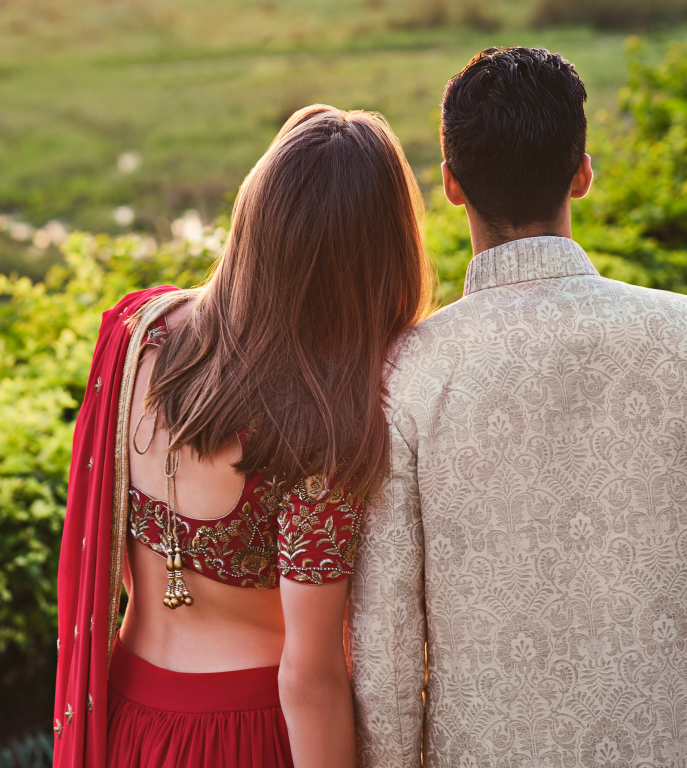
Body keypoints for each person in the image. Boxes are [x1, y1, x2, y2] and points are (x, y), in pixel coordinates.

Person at [52, 104, 433, 768]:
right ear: (378, 255)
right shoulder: (324, 424)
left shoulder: (134, 335)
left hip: (125, 722)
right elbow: (308, 676)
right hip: (248, 738)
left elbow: (107, 548)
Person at [347, 46, 687, 767]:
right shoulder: (681, 337)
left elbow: (387, 647)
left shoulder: (408, 371)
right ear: (583, 172)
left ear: (451, 187)